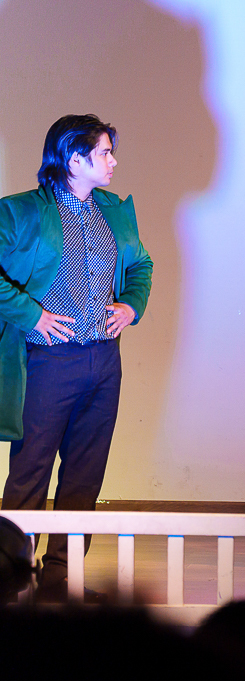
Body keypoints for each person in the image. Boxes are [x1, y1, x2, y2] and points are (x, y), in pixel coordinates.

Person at [0, 114, 152, 600]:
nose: (113, 161)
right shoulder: (21, 211)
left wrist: (131, 305)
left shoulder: (113, 210)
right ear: (74, 159)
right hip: (48, 364)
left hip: (104, 362)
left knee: (86, 474)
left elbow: (141, 264)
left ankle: (62, 579)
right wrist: (31, 314)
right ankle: (8, 576)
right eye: (105, 153)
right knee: (30, 473)